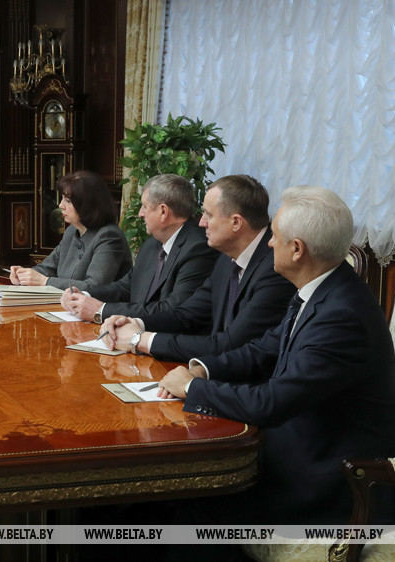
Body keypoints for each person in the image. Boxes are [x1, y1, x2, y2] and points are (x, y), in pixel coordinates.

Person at [156, 186, 395, 526]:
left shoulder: (343, 315)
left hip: (324, 483)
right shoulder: (323, 289)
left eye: (275, 236)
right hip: (292, 454)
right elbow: (264, 349)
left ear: (297, 249)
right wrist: (201, 371)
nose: (268, 243)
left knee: (182, 505)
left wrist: (192, 389)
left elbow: (272, 402)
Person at [99, 174, 294, 362]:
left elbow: (230, 344)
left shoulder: (275, 268)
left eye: (209, 215)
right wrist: (135, 322)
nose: (201, 222)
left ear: (236, 222)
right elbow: (187, 315)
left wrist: (140, 340)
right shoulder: (226, 258)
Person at [60, 174, 219, 321]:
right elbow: (125, 287)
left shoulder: (198, 249)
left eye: (144, 206)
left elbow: (173, 310)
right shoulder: (152, 244)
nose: (140, 214)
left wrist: (100, 310)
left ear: (163, 212)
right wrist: (83, 296)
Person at [8, 170, 132, 291]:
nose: (60, 205)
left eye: (68, 201)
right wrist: (24, 274)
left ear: (88, 204)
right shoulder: (71, 231)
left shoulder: (109, 237)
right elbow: (47, 268)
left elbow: (94, 287)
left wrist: (44, 281)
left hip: (99, 305)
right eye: (62, 199)